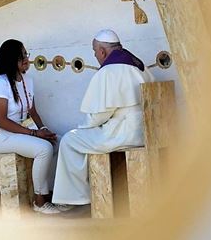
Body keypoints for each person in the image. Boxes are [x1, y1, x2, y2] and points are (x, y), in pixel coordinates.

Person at [52, 29, 150, 209]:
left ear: (102, 51)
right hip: (145, 131)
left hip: (122, 133)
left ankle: (73, 199)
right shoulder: (138, 66)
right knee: (80, 139)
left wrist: (84, 126)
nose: (96, 56)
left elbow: (99, 115)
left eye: (95, 51)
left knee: (69, 140)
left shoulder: (108, 71)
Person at [0, 39, 60, 214]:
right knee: (44, 149)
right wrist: (34, 133)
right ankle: (40, 201)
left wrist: (44, 129)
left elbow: (33, 111)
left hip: (17, 130)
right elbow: (1, 120)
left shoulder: (27, 80)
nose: (26, 59)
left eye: (26, 54)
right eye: (21, 56)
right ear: (10, 60)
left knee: (58, 142)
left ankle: (56, 195)